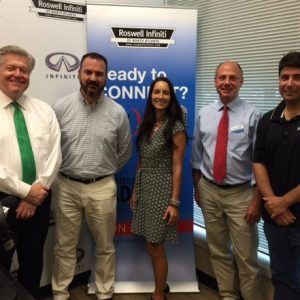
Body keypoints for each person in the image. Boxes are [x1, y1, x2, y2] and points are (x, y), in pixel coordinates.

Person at [51, 52, 132, 300]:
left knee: (105, 247)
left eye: (99, 74)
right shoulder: (60, 107)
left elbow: (125, 151)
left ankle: (105, 292)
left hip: (102, 187)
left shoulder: (117, 113)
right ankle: (60, 293)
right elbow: (51, 148)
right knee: (64, 246)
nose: (93, 78)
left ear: (106, 77)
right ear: (79, 74)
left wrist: (102, 174)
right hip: (66, 186)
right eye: (88, 72)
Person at [191, 61, 261, 300]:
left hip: (241, 194)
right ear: (215, 81)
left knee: (247, 257)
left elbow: (259, 162)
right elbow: (197, 156)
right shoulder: (205, 113)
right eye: (222, 77)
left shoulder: (253, 115)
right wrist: (197, 188)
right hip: (209, 190)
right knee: (218, 251)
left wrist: (256, 200)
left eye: (232, 77)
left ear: (241, 82)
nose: (227, 82)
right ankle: (228, 295)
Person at [0, 45, 62, 298]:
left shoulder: (43, 109)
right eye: (11, 68)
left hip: (40, 198)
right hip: (3, 199)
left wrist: (37, 193)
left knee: (33, 261)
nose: (18, 74)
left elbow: (54, 154)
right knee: (1, 268)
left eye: (23, 70)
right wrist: (27, 192)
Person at [130, 77, 187, 300]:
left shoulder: (176, 126)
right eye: (156, 92)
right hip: (145, 187)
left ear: (170, 97)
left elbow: (178, 166)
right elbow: (142, 160)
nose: (160, 97)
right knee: (151, 244)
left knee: (155, 245)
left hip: (163, 189)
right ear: (151, 95)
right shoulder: (146, 122)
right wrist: (136, 190)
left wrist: (174, 203)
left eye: (165, 93)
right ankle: (161, 287)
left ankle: (158, 294)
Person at [253, 51, 300, 300]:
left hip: (294, 215)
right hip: (274, 219)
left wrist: (284, 202)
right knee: (281, 276)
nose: (289, 83)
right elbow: (259, 162)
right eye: (284, 77)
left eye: (296, 77)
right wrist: (274, 202)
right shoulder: (267, 120)